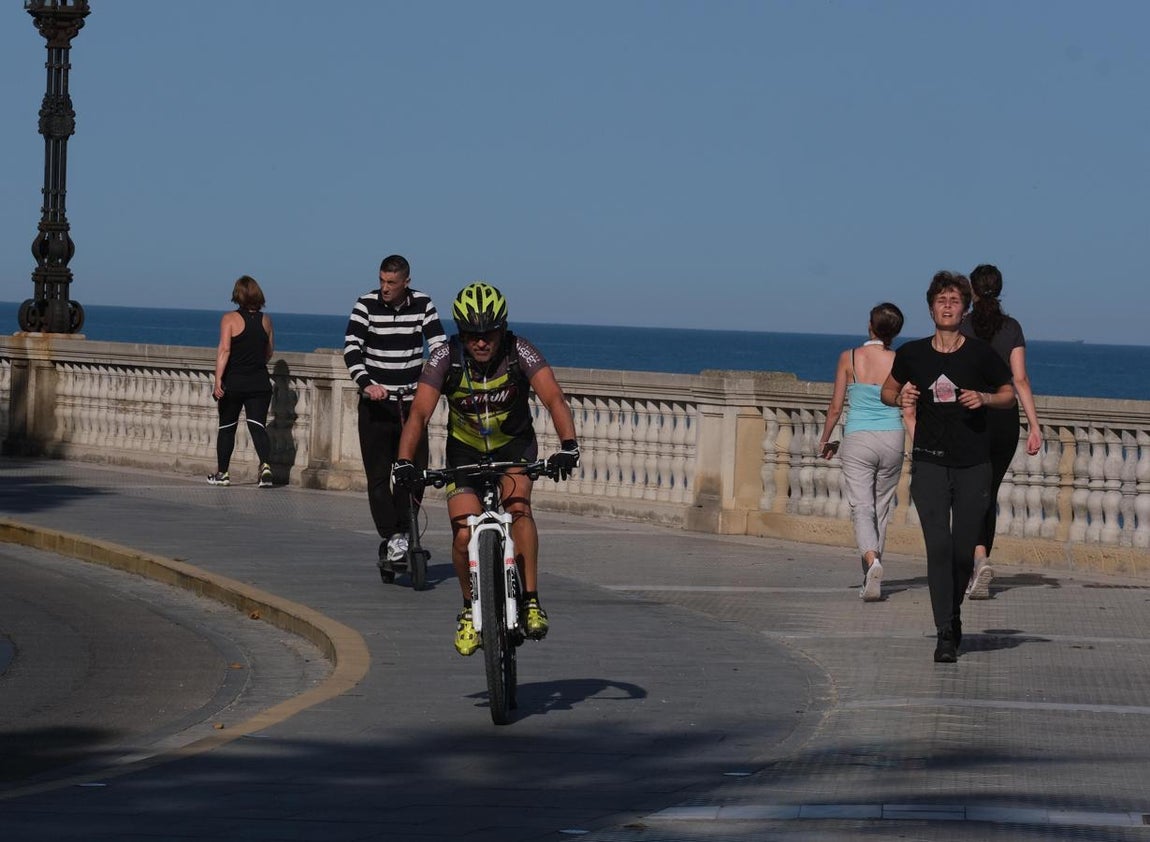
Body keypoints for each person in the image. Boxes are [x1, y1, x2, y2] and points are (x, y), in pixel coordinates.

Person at [393, 282, 580, 656]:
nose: (481, 342)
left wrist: (568, 446)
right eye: (472, 335)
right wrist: (403, 462)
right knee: (463, 535)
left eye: (489, 334)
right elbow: (419, 413)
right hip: (464, 452)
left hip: (514, 446)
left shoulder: (520, 352)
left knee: (519, 510)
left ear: (502, 329)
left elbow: (553, 397)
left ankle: (530, 600)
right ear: (461, 333)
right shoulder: (445, 356)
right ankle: (468, 609)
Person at [881, 271, 1013, 664]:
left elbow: (1009, 394)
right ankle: (945, 631)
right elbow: (888, 390)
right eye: (942, 300)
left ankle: (952, 616)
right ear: (931, 307)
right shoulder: (912, 354)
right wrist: (899, 394)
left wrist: (985, 398)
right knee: (938, 547)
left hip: (975, 464)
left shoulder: (980, 354)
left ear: (965, 308)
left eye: (956, 300)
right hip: (929, 462)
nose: (948, 306)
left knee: (960, 552)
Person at [343, 255, 447, 572]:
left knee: (414, 473)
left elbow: (440, 346)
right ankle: (393, 538)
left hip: (412, 406)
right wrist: (366, 384)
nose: (384, 288)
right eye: (381, 281)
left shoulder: (423, 304)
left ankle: (404, 532)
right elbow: (351, 348)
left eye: (391, 283)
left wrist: (437, 381)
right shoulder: (366, 304)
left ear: (406, 283)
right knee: (378, 477)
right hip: (376, 404)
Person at [818, 303, 915, 602]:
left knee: (862, 507)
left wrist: (825, 439)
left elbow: (836, 407)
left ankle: (872, 561)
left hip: (859, 437)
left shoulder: (849, 357)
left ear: (870, 326)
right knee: (881, 507)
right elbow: (908, 405)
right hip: (892, 437)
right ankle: (871, 576)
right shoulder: (901, 360)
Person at [959, 264, 1043, 599]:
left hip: (970, 415)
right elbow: (1020, 379)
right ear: (1000, 289)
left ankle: (976, 562)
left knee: (966, 493)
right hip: (1005, 419)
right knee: (987, 493)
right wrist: (1034, 425)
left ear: (972, 290)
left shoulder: (962, 326)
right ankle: (980, 561)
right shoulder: (1012, 328)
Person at [209, 275, 275, 488]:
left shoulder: (229, 319)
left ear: (237, 295)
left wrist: (218, 379)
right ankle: (265, 466)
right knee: (257, 426)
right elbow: (269, 352)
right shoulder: (266, 320)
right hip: (260, 381)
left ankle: (223, 473)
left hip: (234, 382)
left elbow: (225, 350)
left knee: (227, 427)